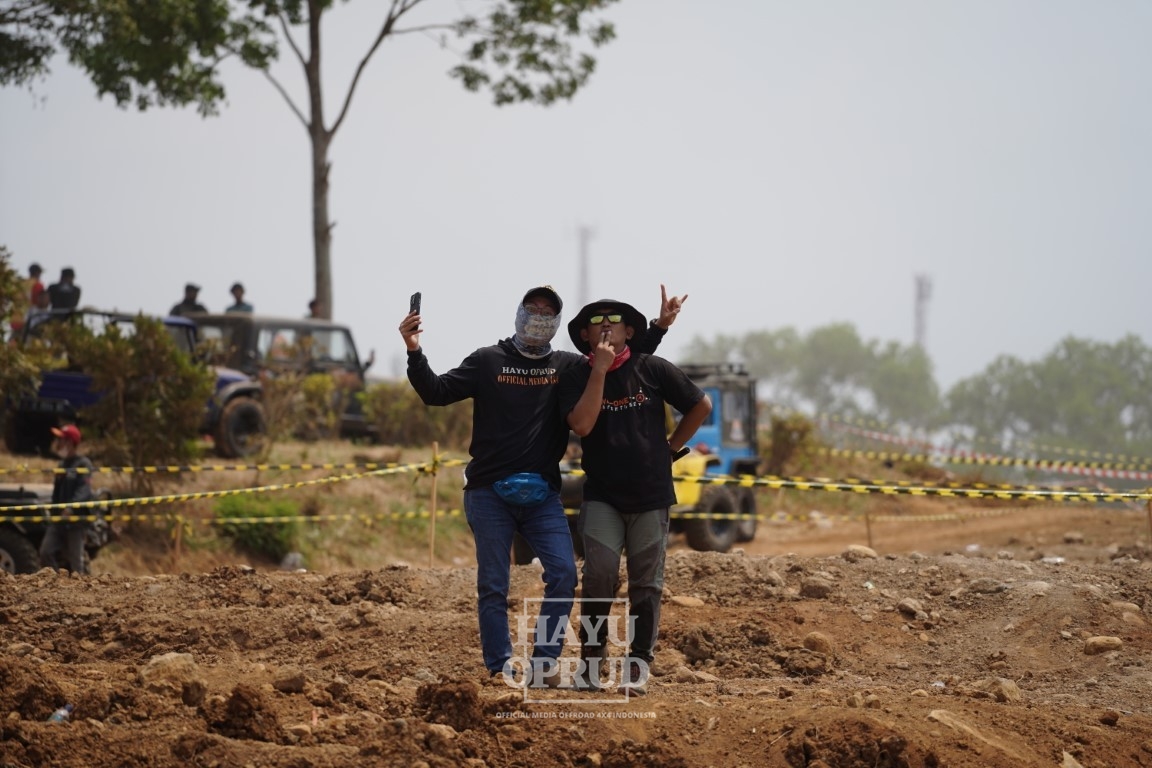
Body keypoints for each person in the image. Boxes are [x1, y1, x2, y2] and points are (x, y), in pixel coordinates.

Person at [399, 284, 685, 686]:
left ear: (557, 322)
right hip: (488, 491)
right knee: (494, 584)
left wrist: (659, 328)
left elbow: (617, 357)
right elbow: (436, 392)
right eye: (532, 309)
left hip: (542, 494)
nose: (538, 317)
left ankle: (543, 664)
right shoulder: (487, 360)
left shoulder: (567, 367)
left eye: (547, 313)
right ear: (519, 313)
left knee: (565, 574)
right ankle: (500, 666)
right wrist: (414, 351)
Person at [559, 298, 711, 696]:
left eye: (616, 320)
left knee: (646, 585)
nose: (606, 324)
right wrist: (600, 370)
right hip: (603, 497)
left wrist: (670, 449)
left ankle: (637, 666)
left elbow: (701, 405)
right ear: (585, 335)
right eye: (597, 320)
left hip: (651, 496)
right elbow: (582, 425)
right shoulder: (577, 375)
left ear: (630, 332)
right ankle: (591, 664)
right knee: (599, 577)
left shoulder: (653, 368)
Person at [39, 424, 97, 574]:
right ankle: (57, 581)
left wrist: (71, 508)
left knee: (76, 561)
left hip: (76, 521)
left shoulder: (83, 464)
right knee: (45, 551)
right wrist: (54, 512)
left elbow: (84, 490)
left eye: (61, 439)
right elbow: (56, 492)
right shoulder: (62, 464)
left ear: (70, 443)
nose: (58, 443)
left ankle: (81, 586)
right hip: (59, 520)